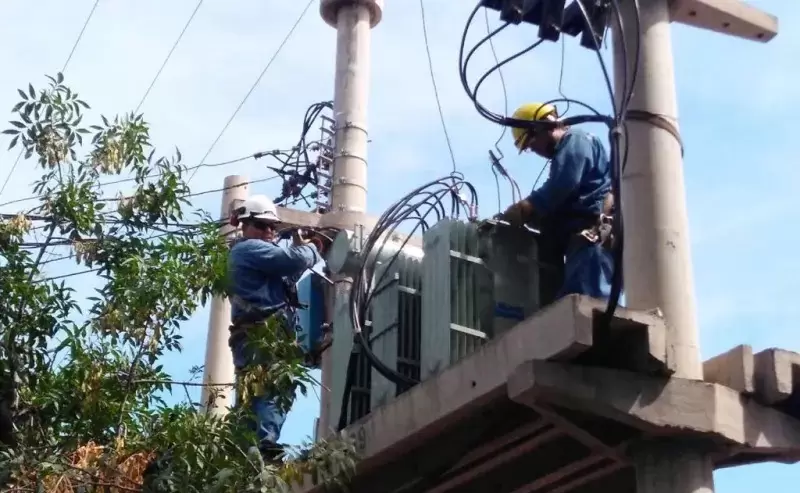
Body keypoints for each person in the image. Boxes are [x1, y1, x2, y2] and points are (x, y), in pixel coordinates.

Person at [226, 194, 322, 459]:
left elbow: (289, 272)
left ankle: (243, 449)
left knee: (253, 392)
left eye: (273, 227)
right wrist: (313, 248)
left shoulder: (254, 256)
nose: (269, 231)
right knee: (275, 386)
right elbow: (291, 261)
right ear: (245, 225)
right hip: (263, 333)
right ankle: (263, 445)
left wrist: (306, 247)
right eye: (262, 225)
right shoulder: (248, 249)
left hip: (253, 333)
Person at [501, 102, 615, 300]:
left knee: (589, 312)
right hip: (581, 246)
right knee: (570, 311)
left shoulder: (576, 140)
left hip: (592, 242)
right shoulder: (567, 150)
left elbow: (563, 184)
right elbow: (561, 204)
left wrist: (528, 206)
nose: (534, 151)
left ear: (540, 128)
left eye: (530, 144)